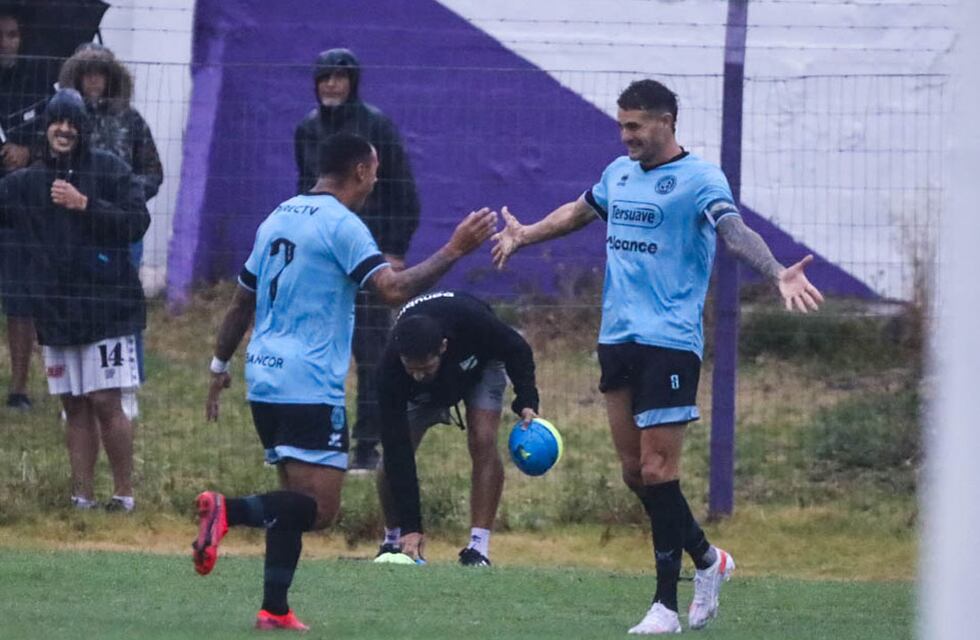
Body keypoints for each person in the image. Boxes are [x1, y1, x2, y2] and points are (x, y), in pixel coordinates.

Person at [491, 79, 823, 634]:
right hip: (617, 337)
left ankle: (665, 605)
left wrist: (775, 272)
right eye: (622, 125)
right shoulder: (618, 174)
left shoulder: (700, 180)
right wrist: (525, 235)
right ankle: (709, 558)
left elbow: (733, 232)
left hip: (670, 341)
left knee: (657, 468)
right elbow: (579, 211)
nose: (626, 137)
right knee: (635, 475)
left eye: (635, 126)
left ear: (666, 122)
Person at [197, 132, 495, 631]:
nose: (377, 178)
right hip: (308, 384)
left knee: (292, 498)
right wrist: (455, 248)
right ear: (360, 171)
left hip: (264, 379)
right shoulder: (343, 225)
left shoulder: (279, 216)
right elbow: (393, 290)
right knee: (319, 509)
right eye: (375, 170)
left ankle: (274, 607)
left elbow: (240, 301)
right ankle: (225, 511)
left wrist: (217, 366)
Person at [0, 89, 148, 511]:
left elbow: (137, 222)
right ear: (46, 128)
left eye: (71, 123)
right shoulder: (28, 182)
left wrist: (85, 204)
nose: (63, 130)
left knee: (105, 400)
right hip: (56, 311)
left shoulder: (110, 170)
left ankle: (123, 495)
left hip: (108, 307)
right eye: (56, 122)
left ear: (83, 128)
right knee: (73, 404)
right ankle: (81, 497)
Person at [294, 47, 421, 471]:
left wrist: (395, 250)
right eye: (324, 77)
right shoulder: (307, 129)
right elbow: (303, 188)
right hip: (321, 259)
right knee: (316, 347)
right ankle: (312, 438)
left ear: (353, 82)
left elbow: (404, 191)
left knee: (373, 354)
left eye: (339, 77)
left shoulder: (376, 125)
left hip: (369, 255)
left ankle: (367, 445)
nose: (331, 84)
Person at [375, 291, 541, 566]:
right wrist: (411, 526)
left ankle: (478, 549)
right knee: (389, 459)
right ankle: (392, 542)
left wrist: (526, 401)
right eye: (411, 369)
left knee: (483, 439)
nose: (418, 375)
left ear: (442, 347)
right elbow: (397, 450)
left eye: (425, 368)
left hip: (478, 364)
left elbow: (518, 349)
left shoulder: (474, 323)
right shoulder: (390, 371)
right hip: (420, 395)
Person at [58, 43, 164, 418]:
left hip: (120, 228)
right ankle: (75, 385)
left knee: (123, 303)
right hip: (75, 227)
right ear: (76, 77)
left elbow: (153, 171)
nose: (94, 81)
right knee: (73, 300)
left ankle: (127, 383)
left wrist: (129, 198)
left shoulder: (130, 120)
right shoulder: (65, 119)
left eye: (100, 73)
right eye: (87, 73)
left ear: (111, 78)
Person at [0, 7, 51, 410]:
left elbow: (57, 146)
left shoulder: (38, 84)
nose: (6, 43)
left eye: (13, 35)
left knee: (20, 301)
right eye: (1, 36)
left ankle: (18, 388)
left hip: (19, 216)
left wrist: (28, 152)